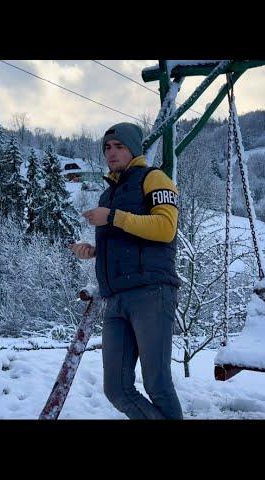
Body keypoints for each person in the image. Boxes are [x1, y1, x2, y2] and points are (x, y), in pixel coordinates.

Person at [69, 122, 183, 420]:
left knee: (157, 384)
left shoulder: (155, 178)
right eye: (107, 147)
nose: (111, 152)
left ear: (134, 148)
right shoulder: (107, 197)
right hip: (115, 298)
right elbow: (123, 238)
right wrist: (93, 250)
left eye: (119, 146)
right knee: (116, 388)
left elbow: (166, 228)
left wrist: (113, 217)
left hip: (151, 292)